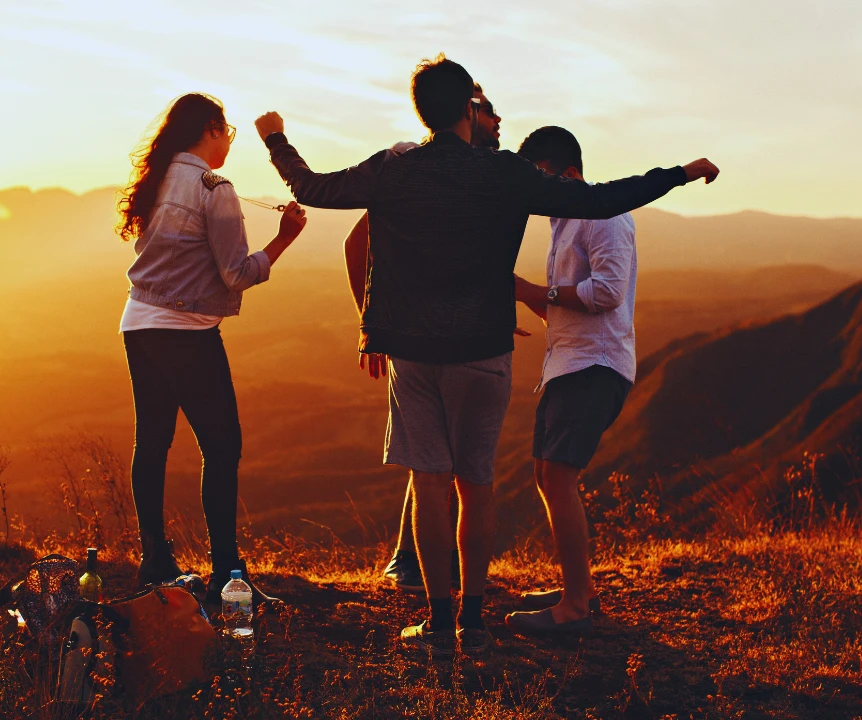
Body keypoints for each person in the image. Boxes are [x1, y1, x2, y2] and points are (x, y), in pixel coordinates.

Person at [255, 55, 718, 657]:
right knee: (477, 486)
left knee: (431, 486)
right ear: (469, 111)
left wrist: (276, 140)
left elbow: (314, 188)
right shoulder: (503, 173)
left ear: (423, 110)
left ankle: (440, 625)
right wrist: (678, 173)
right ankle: (474, 621)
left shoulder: (393, 170)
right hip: (484, 351)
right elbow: (602, 200)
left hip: (416, 354)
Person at [116, 93, 308, 605]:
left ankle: (155, 560)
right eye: (228, 133)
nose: (229, 143)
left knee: (153, 442)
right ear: (210, 129)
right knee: (222, 447)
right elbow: (237, 273)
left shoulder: (157, 178)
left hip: (138, 323)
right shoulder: (214, 188)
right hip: (188, 331)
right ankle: (228, 574)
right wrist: (285, 237)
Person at [340, 85, 505, 593]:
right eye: (489, 110)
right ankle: (414, 565)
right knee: (434, 461)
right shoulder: (414, 169)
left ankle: (422, 568)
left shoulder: (475, 175)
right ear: (465, 113)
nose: (500, 121)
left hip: (455, 333)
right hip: (419, 337)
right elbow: (357, 241)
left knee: (439, 458)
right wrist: (372, 324)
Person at [506, 126, 646, 635]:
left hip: (596, 364)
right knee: (547, 474)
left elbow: (607, 292)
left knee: (559, 477)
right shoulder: (563, 222)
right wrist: (528, 299)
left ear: (566, 174)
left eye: (536, 179)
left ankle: (574, 609)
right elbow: (569, 305)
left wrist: (531, 289)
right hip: (568, 362)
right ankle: (578, 587)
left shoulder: (602, 215)